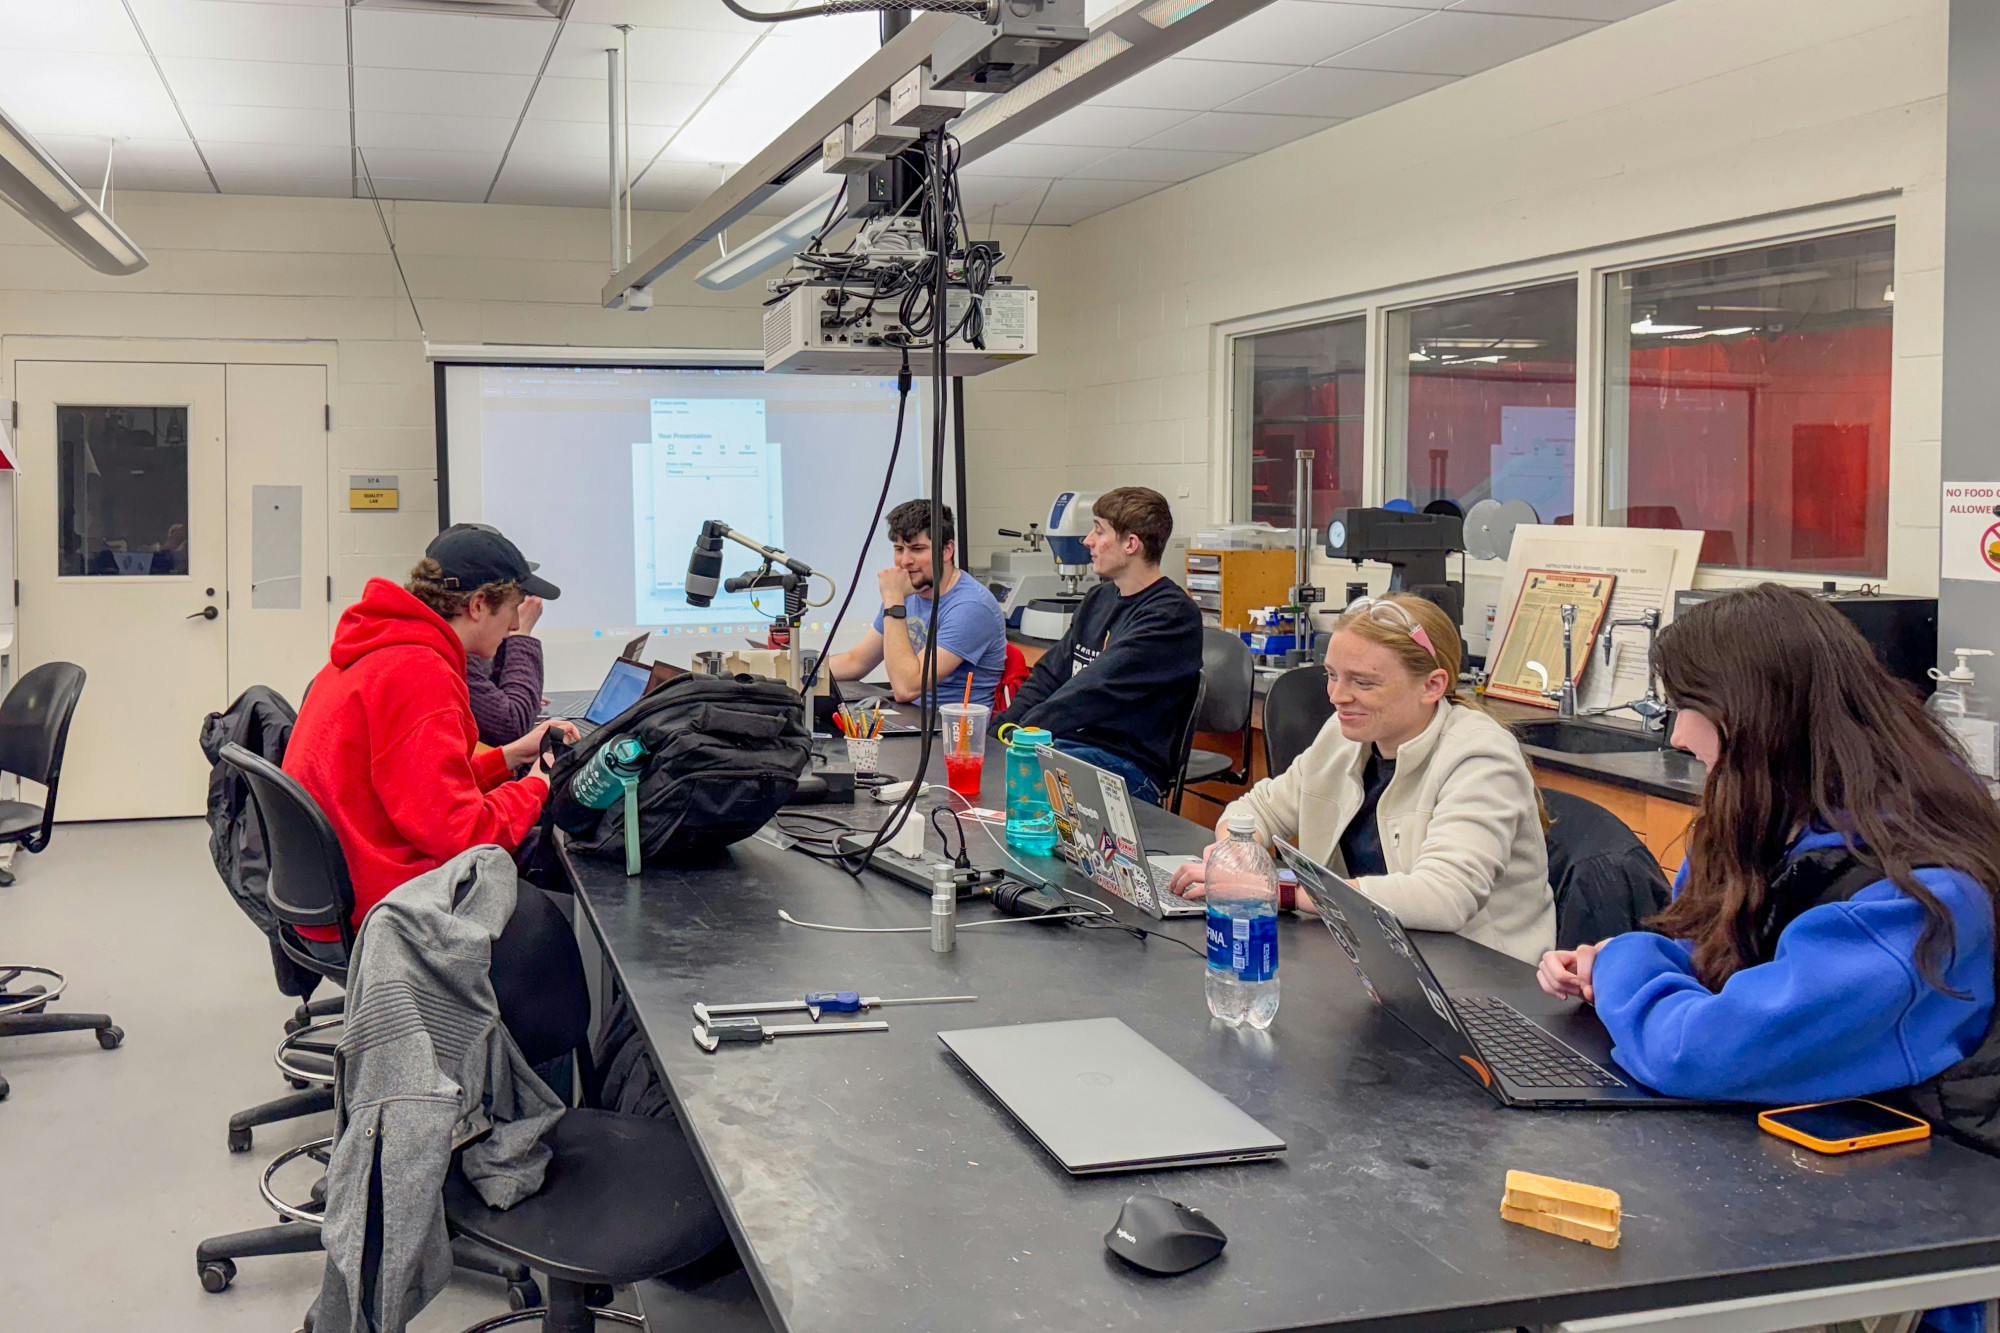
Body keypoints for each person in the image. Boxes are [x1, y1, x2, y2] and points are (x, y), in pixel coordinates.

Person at [1536, 584, 2000, 1131]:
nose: (1678, 733)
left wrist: (1623, 966)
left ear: (1762, 717)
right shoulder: (1761, 828)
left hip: (1916, 1190)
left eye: (1689, 705)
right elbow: (1700, 963)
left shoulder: (1917, 898)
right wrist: (1614, 963)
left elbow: (1701, 1053)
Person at [1172, 593, 1554, 964]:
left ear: (1432, 685)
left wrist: (1276, 890)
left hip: (1480, 982)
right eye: (1332, 675)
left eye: (1363, 683)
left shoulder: (1480, 757)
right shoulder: (1345, 736)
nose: (1337, 696)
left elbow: (1444, 896)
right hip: (1380, 954)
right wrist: (1236, 856)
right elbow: (1258, 808)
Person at [283, 524, 576, 952]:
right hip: (383, 911)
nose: (516, 623)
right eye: (512, 608)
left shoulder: (380, 646)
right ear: (478, 605)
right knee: (550, 911)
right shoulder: (420, 673)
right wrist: (539, 785)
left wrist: (509, 757)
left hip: (336, 894)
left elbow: (417, 785)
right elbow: (465, 834)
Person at [996, 487, 1202, 806]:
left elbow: (1094, 689)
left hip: (1126, 767)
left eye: (1098, 530)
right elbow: (1051, 674)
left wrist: (1022, 734)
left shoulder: (1171, 616)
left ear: (1131, 544)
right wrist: (1003, 726)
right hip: (1068, 748)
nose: (1087, 541)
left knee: (1017, 787)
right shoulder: (1098, 599)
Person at [823, 499, 1007, 706]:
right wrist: (794, 672)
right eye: (899, 549)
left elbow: (906, 687)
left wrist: (893, 600)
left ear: (947, 551)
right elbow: (856, 662)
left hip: (950, 730)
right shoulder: (907, 595)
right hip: (911, 719)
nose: (905, 561)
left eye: (917, 549)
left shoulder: (971, 607)